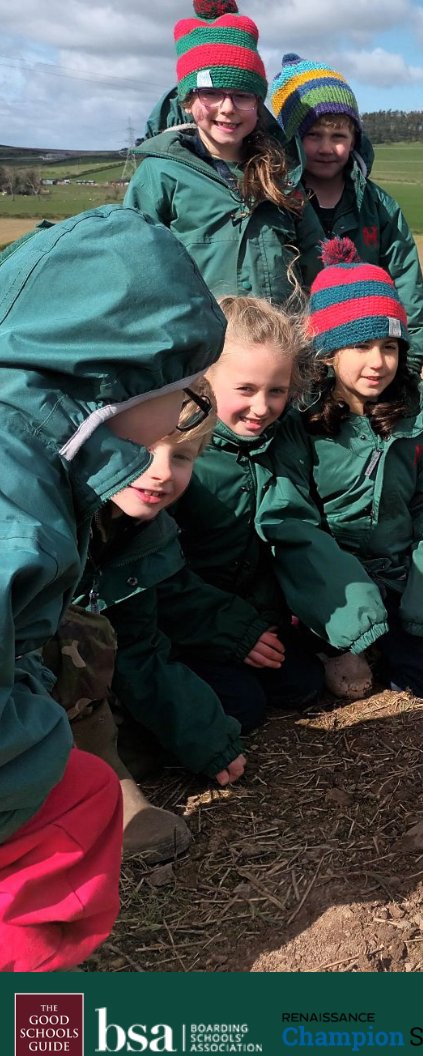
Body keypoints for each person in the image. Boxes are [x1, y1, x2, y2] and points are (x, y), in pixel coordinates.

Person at [0, 205, 225, 971]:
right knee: (80, 805)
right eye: (188, 392)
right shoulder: (18, 509)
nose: (188, 411)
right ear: (125, 382)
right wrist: (43, 765)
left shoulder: (35, 453)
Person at [58, 379, 256, 863]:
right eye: (140, 451)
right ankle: (96, 778)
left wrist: (206, 738)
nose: (162, 472)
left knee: (237, 707)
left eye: (183, 457)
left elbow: (141, 645)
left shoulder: (146, 531)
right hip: (27, 681)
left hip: (87, 689)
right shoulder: (49, 519)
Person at [170, 296, 385, 726]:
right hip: (189, 617)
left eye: (277, 391)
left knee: (300, 685)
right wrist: (235, 633)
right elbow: (162, 576)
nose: (262, 407)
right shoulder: (180, 454)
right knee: (243, 707)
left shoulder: (285, 436)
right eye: (245, 390)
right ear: (206, 379)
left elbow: (292, 532)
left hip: (256, 611)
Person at [297, 239, 423, 698]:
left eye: (389, 346)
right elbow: (297, 522)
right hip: (333, 584)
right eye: (360, 346)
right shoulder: (303, 427)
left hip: (397, 574)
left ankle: (383, 644)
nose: (377, 362)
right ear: (328, 351)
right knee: (300, 686)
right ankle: (336, 644)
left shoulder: (415, 420)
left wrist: (421, 592)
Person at [125, 1, 320, 305]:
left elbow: (315, 258)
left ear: (258, 105)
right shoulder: (159, 174)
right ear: (188, 101)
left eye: (242, 95)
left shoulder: (282, 173)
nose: (227, 108)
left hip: (279, 346)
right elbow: (135, 267)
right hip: (201, 347)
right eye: (212, 93)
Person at [269, 54, 423, 374]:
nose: (327, 148)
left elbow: (406, 283)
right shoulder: (274, 201)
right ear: (291, 139)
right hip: (297, 361)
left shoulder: (380, 207)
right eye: (314, 135)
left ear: (355, 139)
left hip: (365, 358)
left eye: (338, 136)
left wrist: (409, 363)